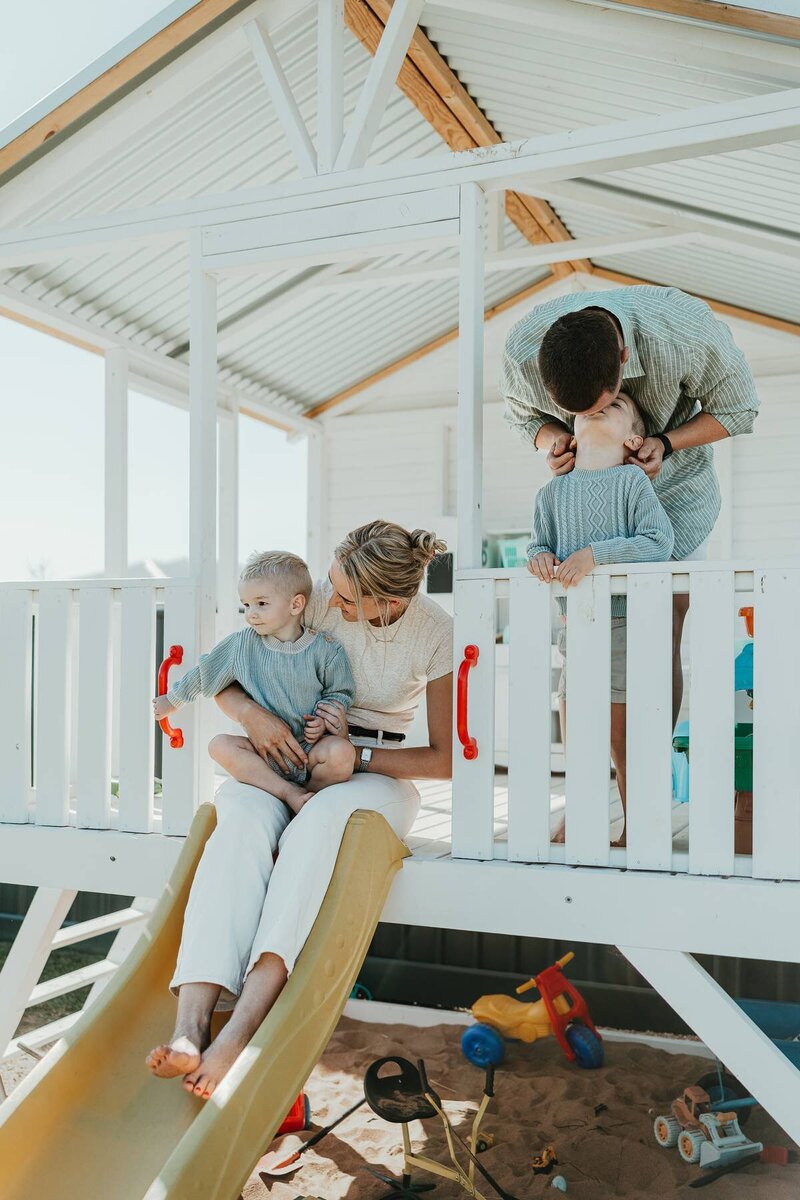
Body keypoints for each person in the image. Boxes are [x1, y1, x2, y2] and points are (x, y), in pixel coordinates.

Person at [146, 521, 453, 1099]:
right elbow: (232, 668)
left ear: (388, 600)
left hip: (375, 767)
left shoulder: (435, 633)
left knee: (318, 826)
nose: (325, 601)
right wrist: (252, 718)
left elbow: (442, 760)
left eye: (341, 595)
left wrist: (350, 755)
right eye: (327, 586)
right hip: (284, 752)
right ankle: (189, 1027)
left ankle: (239, 1030)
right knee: (236, 821)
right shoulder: (308, 595)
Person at [503, 285, 759, 726]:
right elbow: (524, 417)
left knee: (663, 626)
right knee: (588, 637)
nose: (587, 421)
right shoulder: (521, 349)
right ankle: (600, 752)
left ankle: (648, 752)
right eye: (575, 414)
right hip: (583, 507)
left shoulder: (684, 332)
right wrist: (554, 439)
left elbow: (739, 409)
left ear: (623, 359)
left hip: (677, 495)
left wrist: (664, 443)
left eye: (602, 408)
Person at [527, 392, 674, 846]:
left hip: (622, 628)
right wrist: (540, 557)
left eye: (616, 405)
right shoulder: (552, 492)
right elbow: (536, 545)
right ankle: (580, 817)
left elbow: (658, 542)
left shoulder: (632, 482)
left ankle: (637, 826)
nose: (600, 406)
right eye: (592, 405)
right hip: (576, 632)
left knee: (621, 742)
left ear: (634, 437)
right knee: (578, 739)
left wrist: (596, 555)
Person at [152, 551, 356, 812]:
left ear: (295, 605)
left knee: (342, 753)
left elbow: (340, 693)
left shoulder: (326, 649)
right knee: (220, 746)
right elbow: (205, 672)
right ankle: (288, 792)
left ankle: (309, 798)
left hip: (311, 750)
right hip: (263, 755)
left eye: (261, 603)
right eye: (246, 605)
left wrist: (324, 721)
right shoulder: (241, 645)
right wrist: (173, 700)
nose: (251, 614)